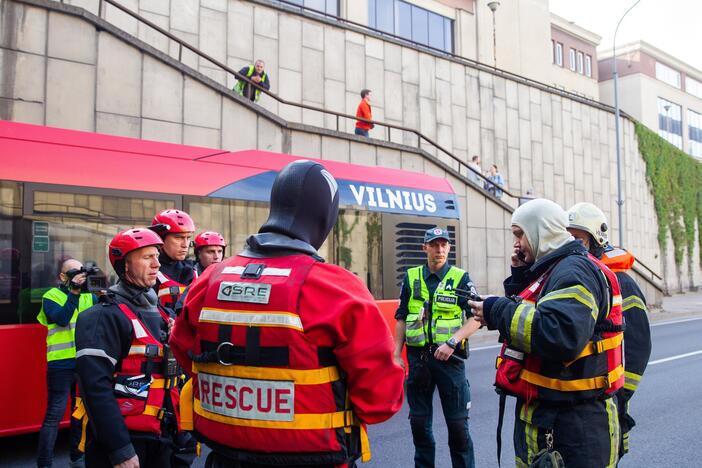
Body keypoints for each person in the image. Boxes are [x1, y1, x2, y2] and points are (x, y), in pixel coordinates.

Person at [170, 160, 405, 467]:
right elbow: (380, 400)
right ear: (324, 217)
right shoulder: (337, 289)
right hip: (315, 459)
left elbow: (183, 351)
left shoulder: (209, 280)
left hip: (224, 456)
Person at [470, 198, 623, 468]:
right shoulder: (557, 269)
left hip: (573, 429)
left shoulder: (574, 270)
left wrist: (497, 311)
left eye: (520, 234)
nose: (516, 242)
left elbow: (560, 334)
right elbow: (537, 311)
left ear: (540, 230)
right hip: (553, 419)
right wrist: (519, 277)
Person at [74, 228, 192, 467]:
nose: (157, 264)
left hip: (164, 436)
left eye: (157, 256)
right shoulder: (102, 317)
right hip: (128, 441)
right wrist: (121, 452)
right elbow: (95, 390)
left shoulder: (162, 313)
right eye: (147, 257)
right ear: (125, 265)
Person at [567, 202, 652, 460]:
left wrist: (619, 395)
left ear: (597, 240)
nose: (572, 247)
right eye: (567, 239)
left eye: (578, 240)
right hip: (574, 401)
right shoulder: (569, 278)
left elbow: (638, 347)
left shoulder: (623, 284)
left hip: (605, 401)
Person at [393, 227, 481, 468]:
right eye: (434, 245)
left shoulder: (460, 278)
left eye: (444, 245)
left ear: (449, 248)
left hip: (449, 363)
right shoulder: (411, 278)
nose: (439, 249)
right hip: (419, 361)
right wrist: (396, 354)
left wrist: (452, 342)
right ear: (425, 248)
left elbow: (477, 317)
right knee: (419, 427)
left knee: (458, 429)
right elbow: (401, 317)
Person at [36, 258, 96, 468]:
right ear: (62, 277)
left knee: (80, 413)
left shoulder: (89, 297)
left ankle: (77, 457)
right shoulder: (50, 296)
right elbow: (61, 318)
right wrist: (75, 292)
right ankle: (44, 463)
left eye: (81, 271)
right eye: (73, 272)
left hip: (84, 363)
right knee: (54, 416)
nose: (78, 274)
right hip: (60, 365)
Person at [150, 209, 197, 316]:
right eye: (178, 238)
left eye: (188, 238)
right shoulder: (147, 273)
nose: (185, 244)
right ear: (160, 238)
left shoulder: (193, 271)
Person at [173, 231, 227, 316]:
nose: (216, 256)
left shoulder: (229, 274)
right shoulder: (187, 273)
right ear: (199, 254)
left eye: (220, 251)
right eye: (210, 252)